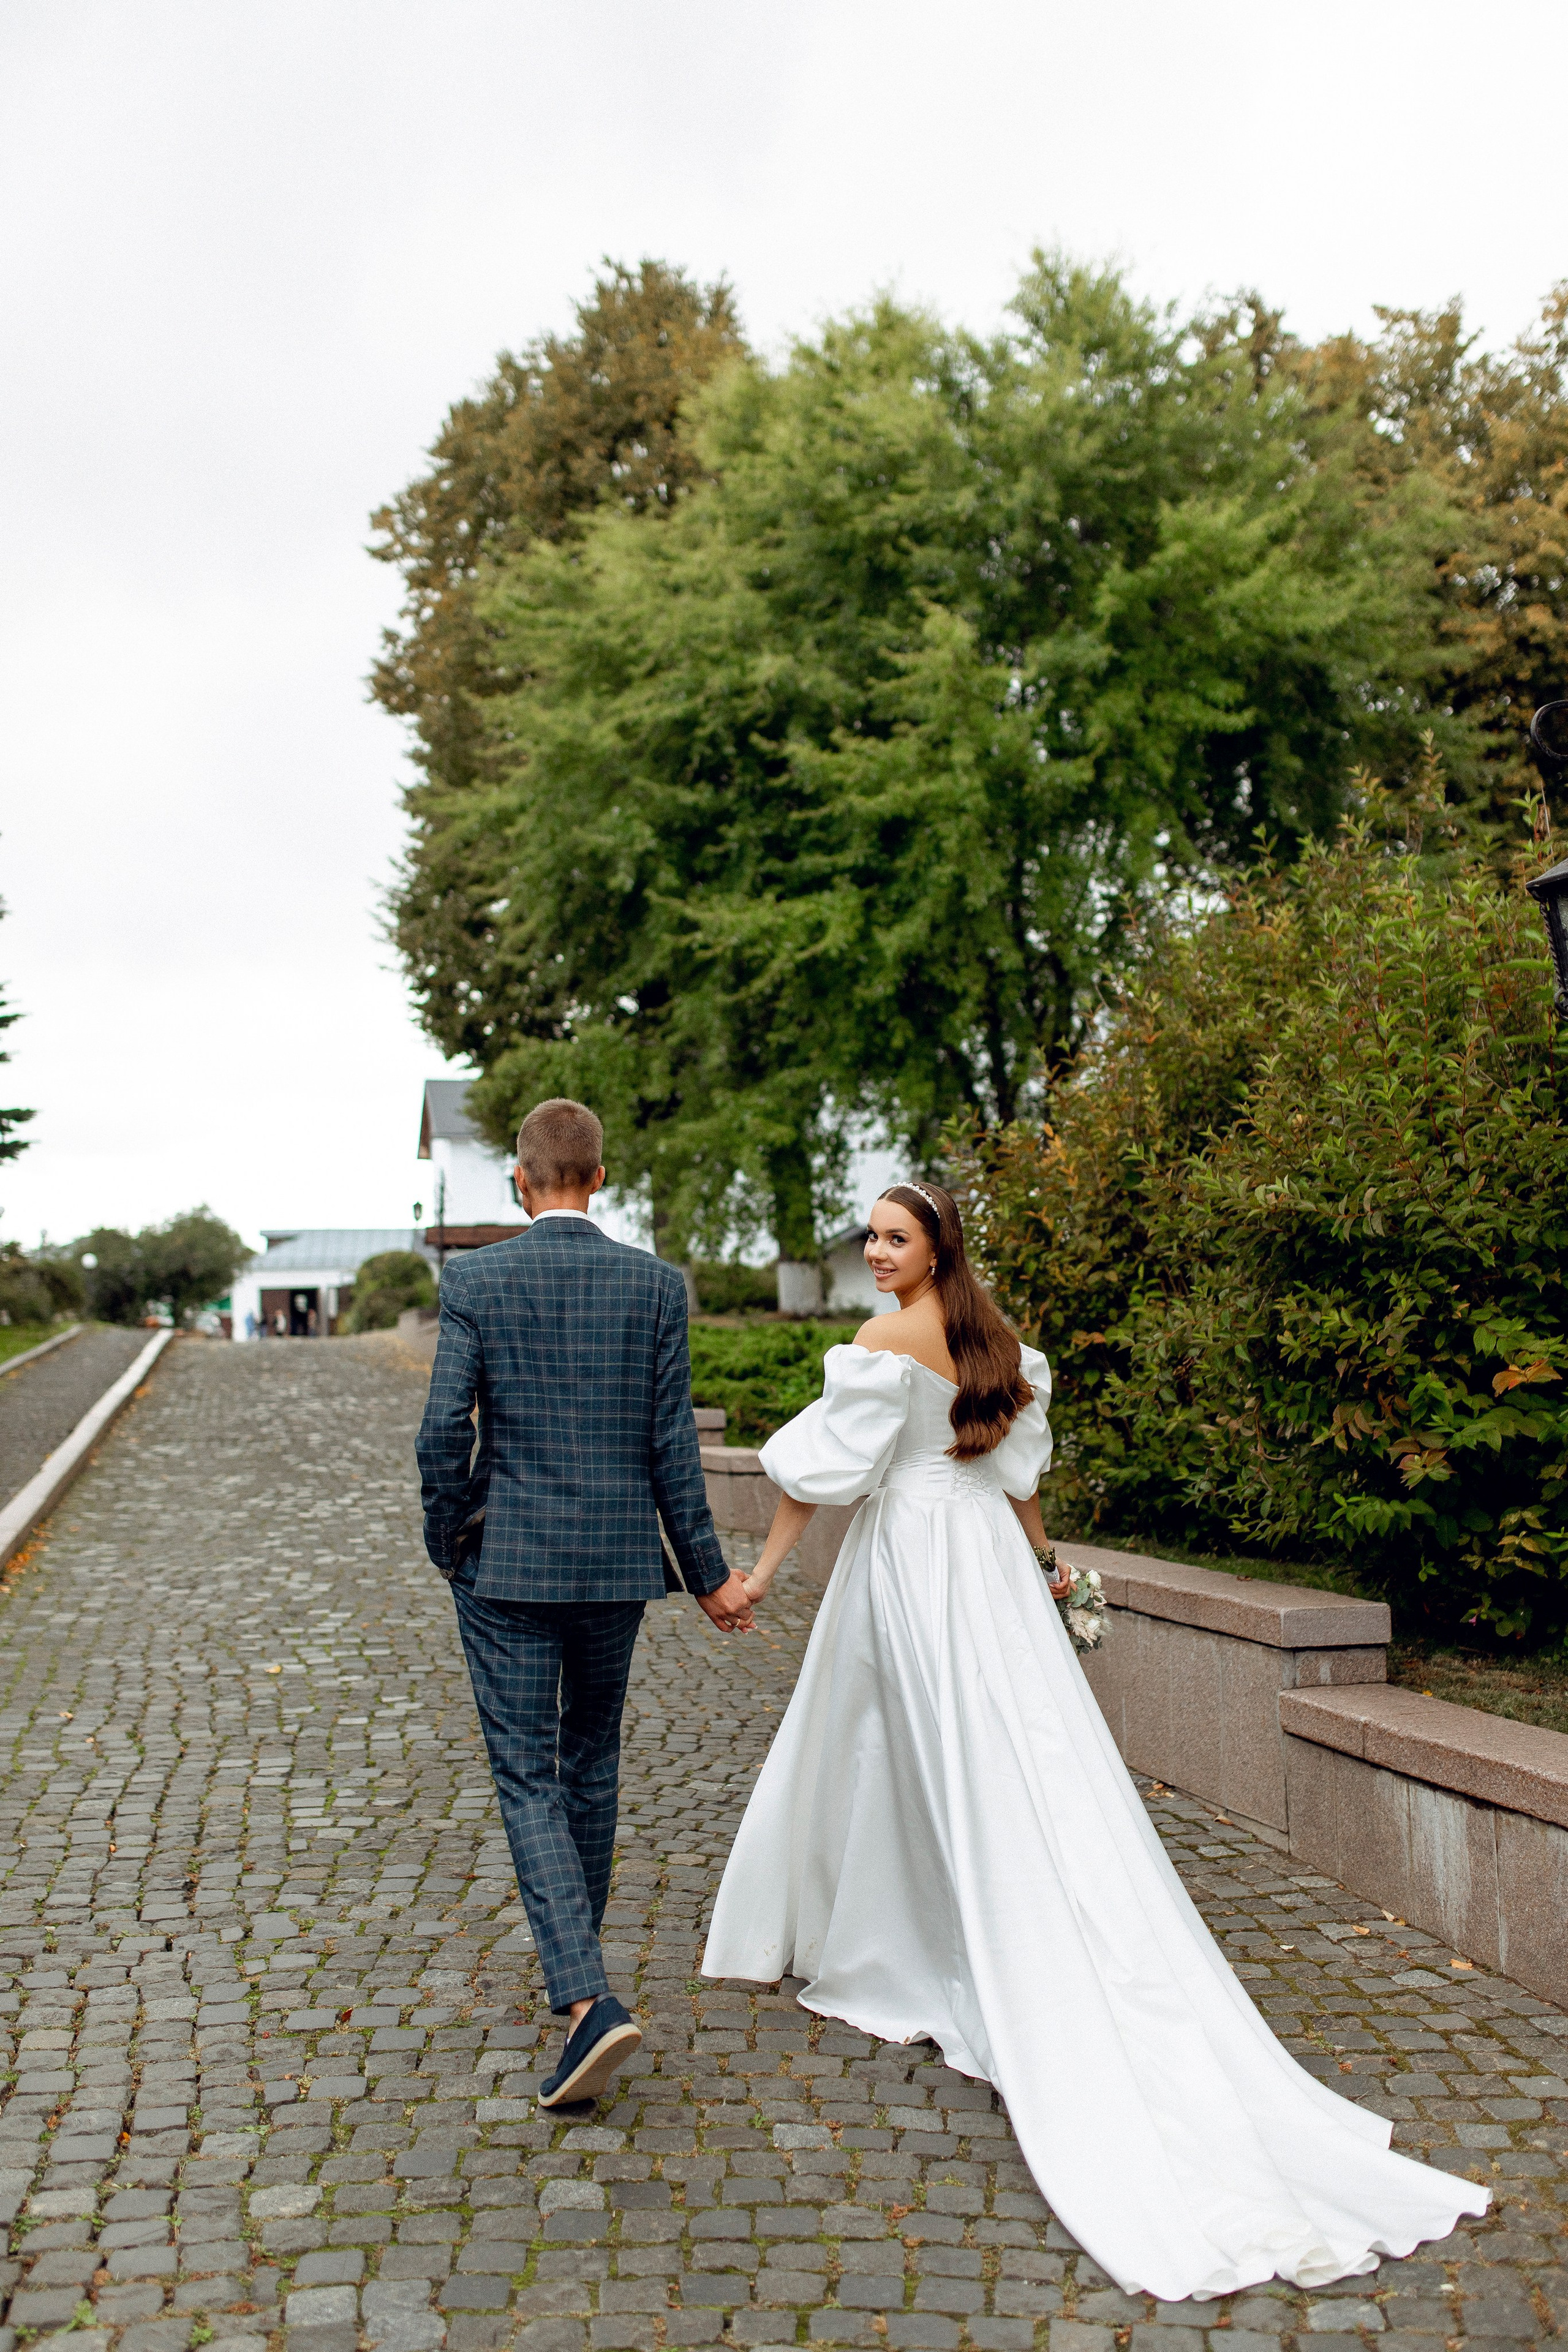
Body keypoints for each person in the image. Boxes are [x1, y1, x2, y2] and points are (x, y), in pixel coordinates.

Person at [703, 1182, 1487, 2302]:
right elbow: (1017, 1477)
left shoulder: (882, 1341)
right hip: (979, 1557)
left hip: (917, 1562)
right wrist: (1047, 1568)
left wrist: (765, 1575)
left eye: (895, 1238)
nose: (875, 1254)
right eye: (870, 1238)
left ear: (936, 1250)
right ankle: (925, 1922)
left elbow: (822, 1476)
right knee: (1001, 1750)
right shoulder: (995, 1337)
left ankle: (925, 1941)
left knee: (916, 1749)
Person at [417, 1096, 755, 2108]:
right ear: (599, 1178)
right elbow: (672, 1455)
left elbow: (442, 1434)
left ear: (520, 1181)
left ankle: (585, 1999)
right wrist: (707, 1577)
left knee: (527, 1777)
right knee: (590, 1762)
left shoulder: (475, 1276)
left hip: (508, 1567)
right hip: (614, 1570)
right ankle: (583, 1982)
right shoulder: (655, 1286)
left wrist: (451, 1543)